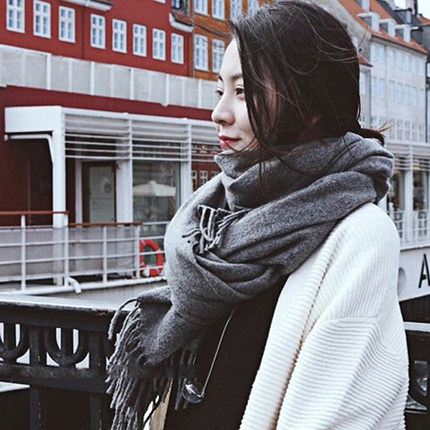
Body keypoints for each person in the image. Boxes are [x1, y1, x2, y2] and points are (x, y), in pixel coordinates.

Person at [107, 2, 409, 429]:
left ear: (310, 105)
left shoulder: (360, 235)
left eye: (243, 92)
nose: (219, 113)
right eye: (219, 91)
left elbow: (333, 414)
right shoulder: (213, 215)